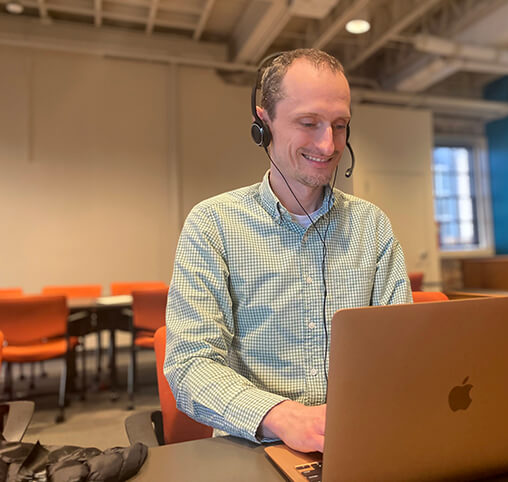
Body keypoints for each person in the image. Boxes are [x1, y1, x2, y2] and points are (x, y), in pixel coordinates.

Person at [164, 48, 411, 454]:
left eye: (340, 125)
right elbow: (190, 365)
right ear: (264, 124)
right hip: (258, 447)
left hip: (362, 442)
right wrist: (281, 415)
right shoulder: (213, 225)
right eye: (309, 123)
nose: (328, 144)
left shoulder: (372, 226)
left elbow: (404, 350)